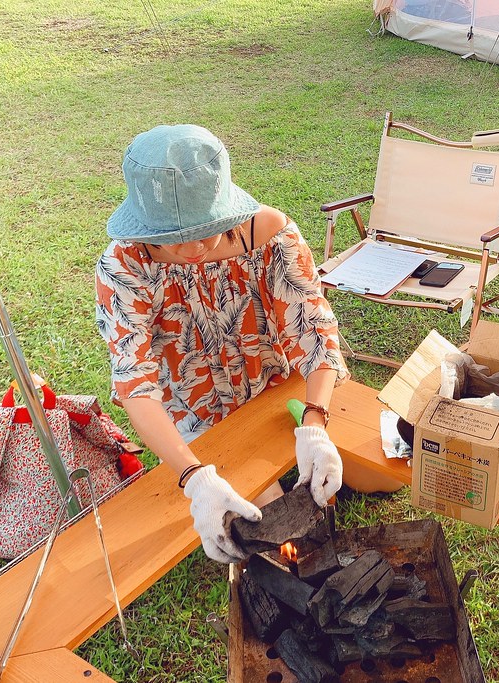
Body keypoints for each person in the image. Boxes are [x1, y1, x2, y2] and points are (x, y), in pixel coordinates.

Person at [95, 124, 352, 564]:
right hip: (195, 413)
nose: (193, 248)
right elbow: (135, 383)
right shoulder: (123, 266)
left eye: (206, 229)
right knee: (265, 526)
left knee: (375, 472)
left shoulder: (269, 233)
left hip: (275, 386)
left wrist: (315, 424)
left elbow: (314, 327)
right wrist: (194, 478)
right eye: (173, 238)